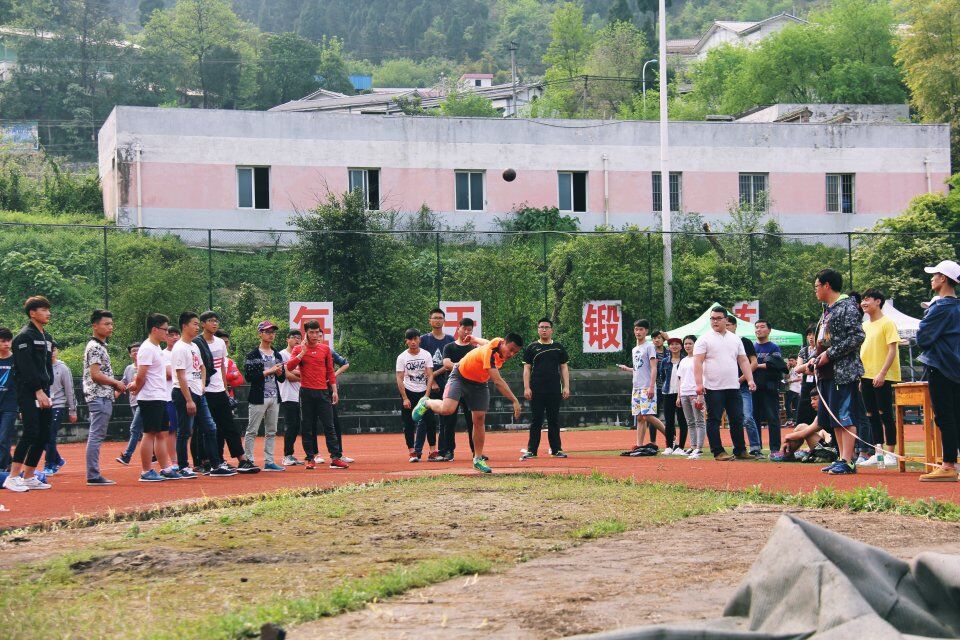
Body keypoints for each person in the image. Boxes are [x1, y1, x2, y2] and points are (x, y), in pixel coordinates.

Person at [413, 333, 524, 474]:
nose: (512, 354)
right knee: (447, 409)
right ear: (504, 343)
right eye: (511, 349)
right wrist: (514, 400)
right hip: (460, 376)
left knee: (479, 418)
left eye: (516, 352)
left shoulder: (497, 342)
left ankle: (477, 459)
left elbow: (486, 341)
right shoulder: (490, 353)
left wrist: (474, 339)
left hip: (479, 383)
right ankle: (426, 402)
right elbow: (497, 381)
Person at [802, 268, 865, 476]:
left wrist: (829, 354)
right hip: (827, 374)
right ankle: (841, 458)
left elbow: (856, 336)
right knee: (835, 418)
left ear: (827, 285)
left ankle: (848, 461)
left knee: (845, 416)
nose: (815, 291)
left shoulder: (847, 307)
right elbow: (823, 343)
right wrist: (813, 360)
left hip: (843, 372)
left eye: (817, 286)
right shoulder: (828, 310)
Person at [3, 296, 55, 492]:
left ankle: (30, 475)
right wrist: (38, 390)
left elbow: (46, 366)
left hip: (45, 390)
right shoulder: (24, 337)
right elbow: (26, 368)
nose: (48, 313)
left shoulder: (47, 337)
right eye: (43, 309)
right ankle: (13, 476)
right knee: (31, 431)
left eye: (48, 310)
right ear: (32, 313)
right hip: (29, 391)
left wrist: (46, 388)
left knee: (44, 433)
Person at [173, 312, 233, 477]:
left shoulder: (194, 346)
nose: (197, 327)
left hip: (199, 393)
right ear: (185, 326)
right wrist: (188, 399)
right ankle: (183, 467)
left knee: (210, 428)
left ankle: (215, 465)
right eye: (194, 324)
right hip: (184, 393)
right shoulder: (179, 347)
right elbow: (180, 375)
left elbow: (202, 367)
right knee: (185, 431)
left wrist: (201, 385)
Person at [916, 260, 960, 482]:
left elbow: (922, 338)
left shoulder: (940, 307)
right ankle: (951, 463)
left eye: (934, 275)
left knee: (945, 416)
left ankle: (948, 465)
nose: (931, 278)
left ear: (943, 278)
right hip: (956, 367)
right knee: (956, 416)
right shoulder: (957, 306)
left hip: (941, 366)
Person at [693, 306, 756, 461]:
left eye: (718, 318)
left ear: (726, 320)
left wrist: (750, 379)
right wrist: (699, 385)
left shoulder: (735, 339)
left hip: (733, 386)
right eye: (712, 318)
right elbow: (698, 362)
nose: (715, 321)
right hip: (713, 387)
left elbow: (743, 360)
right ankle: (718, 451)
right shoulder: (704, 339)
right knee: (714, 419)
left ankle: (740, 450)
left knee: (737, 419)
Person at [198, 312, 258, 473]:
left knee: (229, 426)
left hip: (220, 391)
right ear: (203, 324)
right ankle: (211, 461)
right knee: (209, 428)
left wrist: (225, 389)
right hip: (205, 391)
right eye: (210, 321)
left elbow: (223, 367)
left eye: (216, 321)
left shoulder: (219, 343)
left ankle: (242, 460)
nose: (214, 323)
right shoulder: (197, 343)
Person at [128, 314, 185, 481]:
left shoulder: (156, 349)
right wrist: (136, 388)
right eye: (165, 330)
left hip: (161, 396)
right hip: (150, 398)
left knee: (162, 433)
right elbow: (141, 374)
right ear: (154, 329)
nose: (167, 333)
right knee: (149, 433)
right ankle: (146, 471)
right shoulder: (146, 348)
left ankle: (166, 468)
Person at [285, 319, 348, 470]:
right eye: (311, 332)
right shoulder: (298, 349)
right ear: (305, 333)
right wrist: (302, 353)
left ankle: (335, 457)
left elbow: (330, 371)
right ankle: (310, 458)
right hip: (306, 392)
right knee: (307, 426)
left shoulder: (325, 349)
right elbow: (289, 366)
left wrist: (334, 390)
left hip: (323, 392)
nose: (314, 335)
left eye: (316, 332)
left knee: (329, 425)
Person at [857, 288, 901, 468]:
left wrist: (882, 373)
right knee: (871, 415)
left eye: (867, 299)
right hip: (866, 376)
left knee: (885, 415)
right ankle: (878, 453)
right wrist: (861, 377)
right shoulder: (864, 325)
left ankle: (890, 453)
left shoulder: (887, 323)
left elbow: (892, 349)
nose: (864, 303)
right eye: (862, 300)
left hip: (883, 375)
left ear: (878, 301)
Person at [82, 309, 124, 486]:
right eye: (106, 324)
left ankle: (93, 473)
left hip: (102, 396)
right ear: (95, 325)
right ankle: (93, 474)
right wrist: (116, 383)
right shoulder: (95, 347)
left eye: (111, 324)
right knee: (96, 435)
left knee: (97, 434)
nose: (110, 327)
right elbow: (96, 375)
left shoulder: (99, 346)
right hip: (98, 396)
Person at [520, 317, 570, 460]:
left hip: (554, 389)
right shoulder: (532, 348)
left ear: (551, 330)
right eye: (541, 327)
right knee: (536, 420)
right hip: (536, 390)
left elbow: (564, 367)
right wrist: (526, 387)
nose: (544, 329)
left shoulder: (558, 347)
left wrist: (566, 386)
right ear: (538, 329)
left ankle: (556, 450)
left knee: (554, 420)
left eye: (546, 327)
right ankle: (531, 450)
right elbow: (526, 369)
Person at [617, 319, 667, 456]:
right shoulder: (635, 349)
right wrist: (628, 369)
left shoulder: (649, 346)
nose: (638, 332)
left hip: (647, 386)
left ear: (646, 331)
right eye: (636, 329)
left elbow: (653, 368)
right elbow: (639, 368)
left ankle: (671, 438)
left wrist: (652, 386)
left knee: (648, 415)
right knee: (639, 417)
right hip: (636, 387)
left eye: (641, 329)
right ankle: (639, 445)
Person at [243, 321, 286, 471]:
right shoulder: (253, 354)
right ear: (260, 333)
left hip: (274, 396)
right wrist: (269, 371)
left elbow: (282, 378)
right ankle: (248, 460)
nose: (271, 334)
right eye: (267, 332)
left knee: (272, 431)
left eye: (273, 332)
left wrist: (280, 373)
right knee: (252, 430)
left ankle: (269, 461)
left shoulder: (277, 354)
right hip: (258, 397)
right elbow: (249, 376)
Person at [441, 318, 480, 459]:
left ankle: (476, 452)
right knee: (449, 420)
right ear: (458, 329)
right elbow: (446, 363)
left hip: (470, 388)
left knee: (473, 421)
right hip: (453, 387)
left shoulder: (474, 349)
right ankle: (448, 451)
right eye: (464, 329)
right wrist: (464, 367)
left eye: (470, 330)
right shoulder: (449, 347)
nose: (467, 332)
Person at [396, 328, 435, 462]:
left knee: (430, 420)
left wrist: (427, 395)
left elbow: (430, 375)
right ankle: (412, 452)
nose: (413, 342)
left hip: (423, 392)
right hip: (409, 392)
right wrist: (405, 398)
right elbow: (399, 378)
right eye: (410, 339)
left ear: (419, 339)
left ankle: (432, 450)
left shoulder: (426, 355)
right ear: (406, 341)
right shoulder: (402, 357)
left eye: (415, 339)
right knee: (408, 423)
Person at [420, 309, 455, 461]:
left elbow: (450, 364)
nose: (437, 320)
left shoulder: (450, 339)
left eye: (440, 318)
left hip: (447, 383)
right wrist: (432, 380)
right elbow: (421, 363)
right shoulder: (424, 340)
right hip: (428, 385)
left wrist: (434, 374)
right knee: (425, 418)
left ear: (444, 320)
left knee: (447, 418)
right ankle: (421, 451)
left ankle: (447, 450)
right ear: (430, 320)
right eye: (435, 318)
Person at [725, 315, 762, 457]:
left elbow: (754, 362)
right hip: (726, 386)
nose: (726, 327)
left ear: (734, 326)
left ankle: (755, 447)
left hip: (743, 386)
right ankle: (738, 448)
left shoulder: (744, 341)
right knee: (733, 419)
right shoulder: (719, 343)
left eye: (728, 325)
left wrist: (741, 379)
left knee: (747, 417)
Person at [753, 319, 785, 453]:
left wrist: (755, 365)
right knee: (754, 418)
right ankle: (756, 447)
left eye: (762, 327)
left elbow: (775, 365)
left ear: (769, 330)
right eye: (756, 327)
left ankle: (775, 448)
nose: (758, 330)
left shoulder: (774, 347)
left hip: (770, 387)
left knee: (773, 418)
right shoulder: (752, 347)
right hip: (754, 387)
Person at [44, 344, 77, 474]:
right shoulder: (40, 366)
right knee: (39, 437)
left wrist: (72, 410)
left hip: (57, 405)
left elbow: (70, 390)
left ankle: (50, 464)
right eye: (49, 350)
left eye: (54, 350)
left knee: (50, 435)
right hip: (42, 405)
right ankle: (58, 459)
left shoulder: (62, 368)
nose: (52, 353)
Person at [676, 334, 705, 459]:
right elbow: (680, 379)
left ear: (695, 345)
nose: (687, 346)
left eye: (690, 343)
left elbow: (703, 377)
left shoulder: (699, 359)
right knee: (690, 422)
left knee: (699, 421)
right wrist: (679, 396)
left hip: (695, 393)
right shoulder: (683, 360)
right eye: (686, 343)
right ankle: (693, 446)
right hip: (684, 393)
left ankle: (699, 448)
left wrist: (700, 395)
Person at [115, 343, 144, 467]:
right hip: (133, 402)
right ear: (130, 354)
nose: (136, 353)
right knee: (145, 430)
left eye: (138, 350)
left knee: (134, 429)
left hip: (143, 401)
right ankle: (155, 454)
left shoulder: (146, 367)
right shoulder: (128, 368)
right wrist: (115, 393)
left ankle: (127, 456)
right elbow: (123, 383)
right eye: (133, 351)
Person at [658, 336, 688, 455]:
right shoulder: (665, 361)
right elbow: (662, 376)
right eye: (671, 344)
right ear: (668, 347)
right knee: (669, 421)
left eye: (677, 344)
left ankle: (681, 447)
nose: (674, 346)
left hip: (682, 393)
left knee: (682, 420)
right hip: (668, 393)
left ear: (681, 346)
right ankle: (669, 446)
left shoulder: (685, 360)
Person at [279, 329, 304, 466]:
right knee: (291, 425)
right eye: (294, 337)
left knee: (297, 426)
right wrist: (302, 375)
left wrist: (297, 372)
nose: (297, 340)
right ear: (287, 339)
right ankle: (287, 455)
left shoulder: (301, 355)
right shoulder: (282, 354)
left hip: (301, 394)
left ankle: (291, 454)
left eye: (299, 337)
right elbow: (287, 375)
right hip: (288, 395)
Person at [0, 327, 17, 473]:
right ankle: (8, 461)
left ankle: (3, 468)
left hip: (10, 406)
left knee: (3, 438)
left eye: (8, 340)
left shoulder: (16, 360)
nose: (6, 344)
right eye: (2, 341)